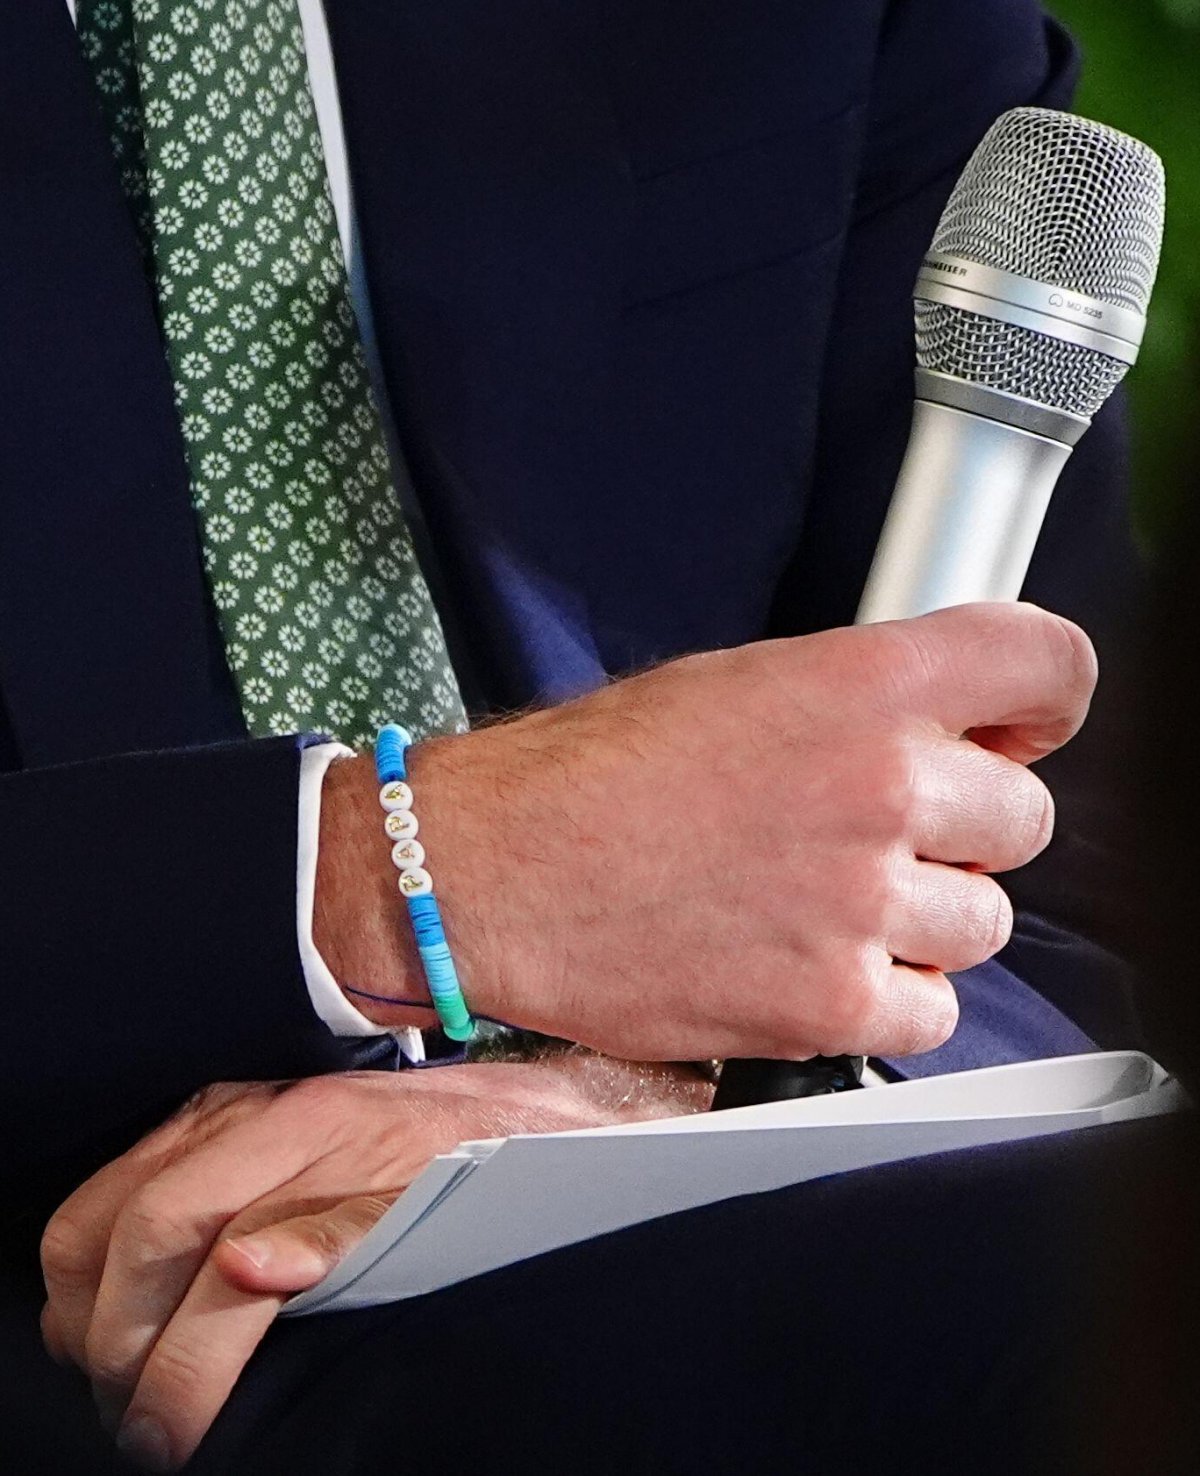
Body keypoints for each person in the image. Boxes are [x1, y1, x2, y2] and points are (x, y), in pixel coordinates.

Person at [0, 0, 1151, 1469]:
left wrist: (662, 1096)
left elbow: (1078, 860)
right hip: (99, 1271)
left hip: (731, 1199)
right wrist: (395, 879)